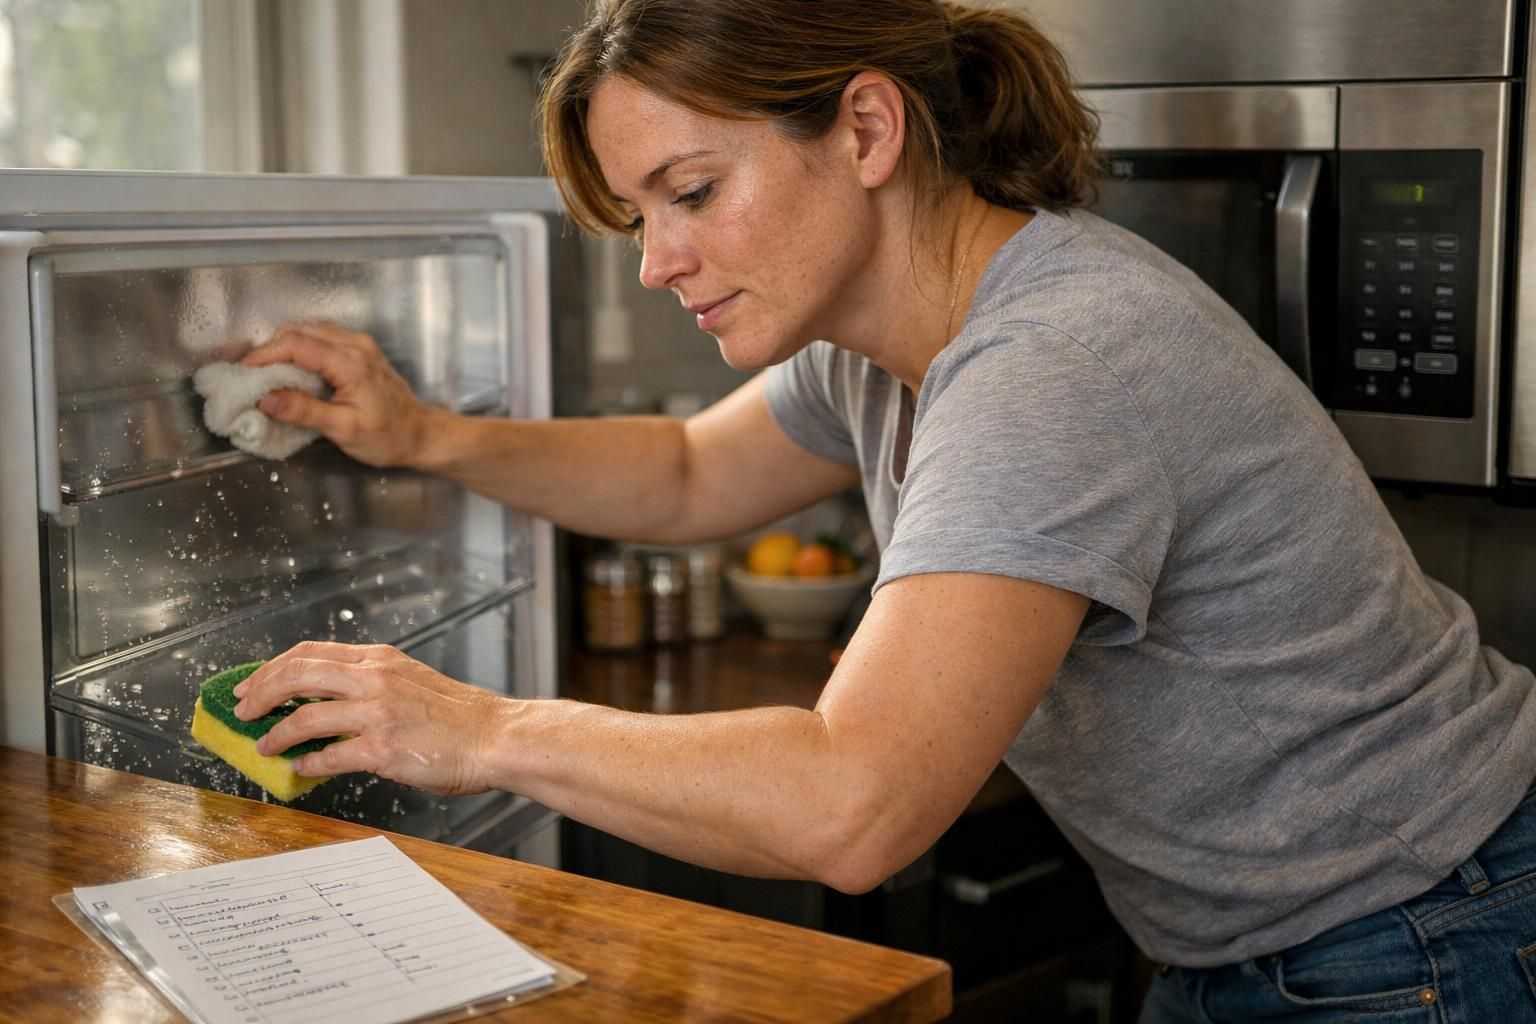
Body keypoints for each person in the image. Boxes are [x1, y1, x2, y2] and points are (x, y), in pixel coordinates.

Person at [230, 0, 1536, 1019]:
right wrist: (424, 435)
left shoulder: (1046, 370)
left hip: (1422, 933)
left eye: (692, 191)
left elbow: (850, 806)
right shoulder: (887, 330)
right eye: (640, 214)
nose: (657, 262)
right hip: (1282, 935)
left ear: (865, 131)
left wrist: (483, 730)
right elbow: (690, 475)